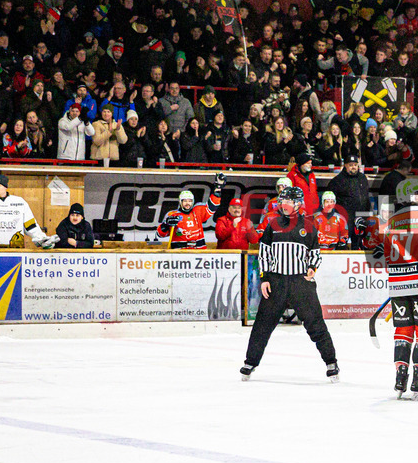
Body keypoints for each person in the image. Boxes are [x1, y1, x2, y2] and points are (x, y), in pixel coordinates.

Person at [241, 186, 339, 382]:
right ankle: (250, 362)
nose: (283, 204)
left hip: (300, 283)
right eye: (282, 200)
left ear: (297, 204)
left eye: (288, 201)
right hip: (276, 282)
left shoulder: (309, 226)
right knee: (262, 325)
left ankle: (331, 362)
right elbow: (265, 253)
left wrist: (312, 268)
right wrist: (265, 278)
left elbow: (315, 253)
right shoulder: (273, 224)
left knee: (316, 324)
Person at [368, 178, 418, 399]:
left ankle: (400, 375)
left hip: (397, 284)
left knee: (402, 331)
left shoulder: (389, 220)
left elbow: (376, 246)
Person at [0, 175, 59, 249]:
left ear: (5, 187)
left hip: (16, 250)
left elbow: (30, 225)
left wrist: (42, 239)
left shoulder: (20, 202)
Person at [157, 172, 224, 249]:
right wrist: (165, 225)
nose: (187, 203)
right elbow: (160, 234)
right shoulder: (172, 215)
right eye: (185, 201)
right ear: (180, 202)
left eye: (190, 201)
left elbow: (213, 206)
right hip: (180, 254)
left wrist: (218, 189)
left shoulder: (198, 210)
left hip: (199, 251)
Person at [326, 153, 370, 246]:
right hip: (345, 218)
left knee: (360, 243)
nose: (353, 167)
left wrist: (367, 214)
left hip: (361, 215)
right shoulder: (337, 180)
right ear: (345, 165)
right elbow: (330, 201)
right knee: (343, 243)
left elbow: (366, 196)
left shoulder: (362, 178)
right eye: (350, 165)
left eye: (355, 165)